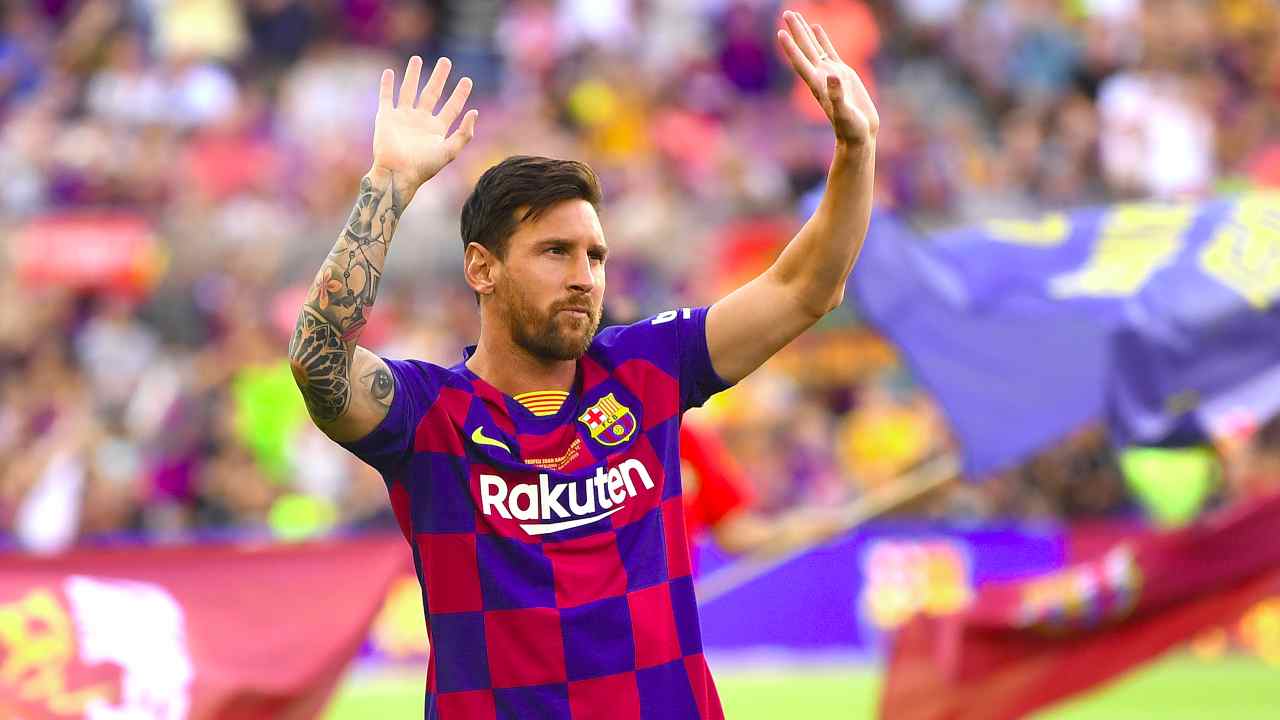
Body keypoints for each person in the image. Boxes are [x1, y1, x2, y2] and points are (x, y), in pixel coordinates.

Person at [288, 10, 877, 719]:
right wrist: (387, 183)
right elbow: (318, 362)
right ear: (482, 268)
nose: (585, 277)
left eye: (595, 255)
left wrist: (855, 147)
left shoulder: (649, 368)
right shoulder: (429, 415)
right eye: (555, 252)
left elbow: (805, 287)